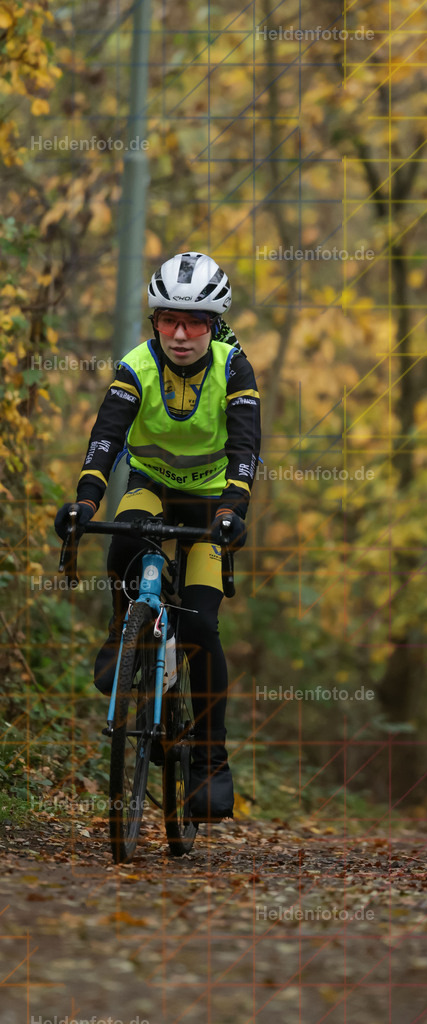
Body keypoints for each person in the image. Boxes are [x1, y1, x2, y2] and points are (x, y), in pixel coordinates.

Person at [54, 251, 261, 823]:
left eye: (194, 322)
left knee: (199, 626)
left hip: (212, 502)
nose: (181, 334)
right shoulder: (136, 367)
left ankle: (211, 762)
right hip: (151, 487)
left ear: (214, 324)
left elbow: (245, 449)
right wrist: (85, 503)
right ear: (155, 321)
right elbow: (105, 439)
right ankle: (123, 626)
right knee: (123, 539)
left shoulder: (234, 369)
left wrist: (233, 510)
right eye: (169, 319)